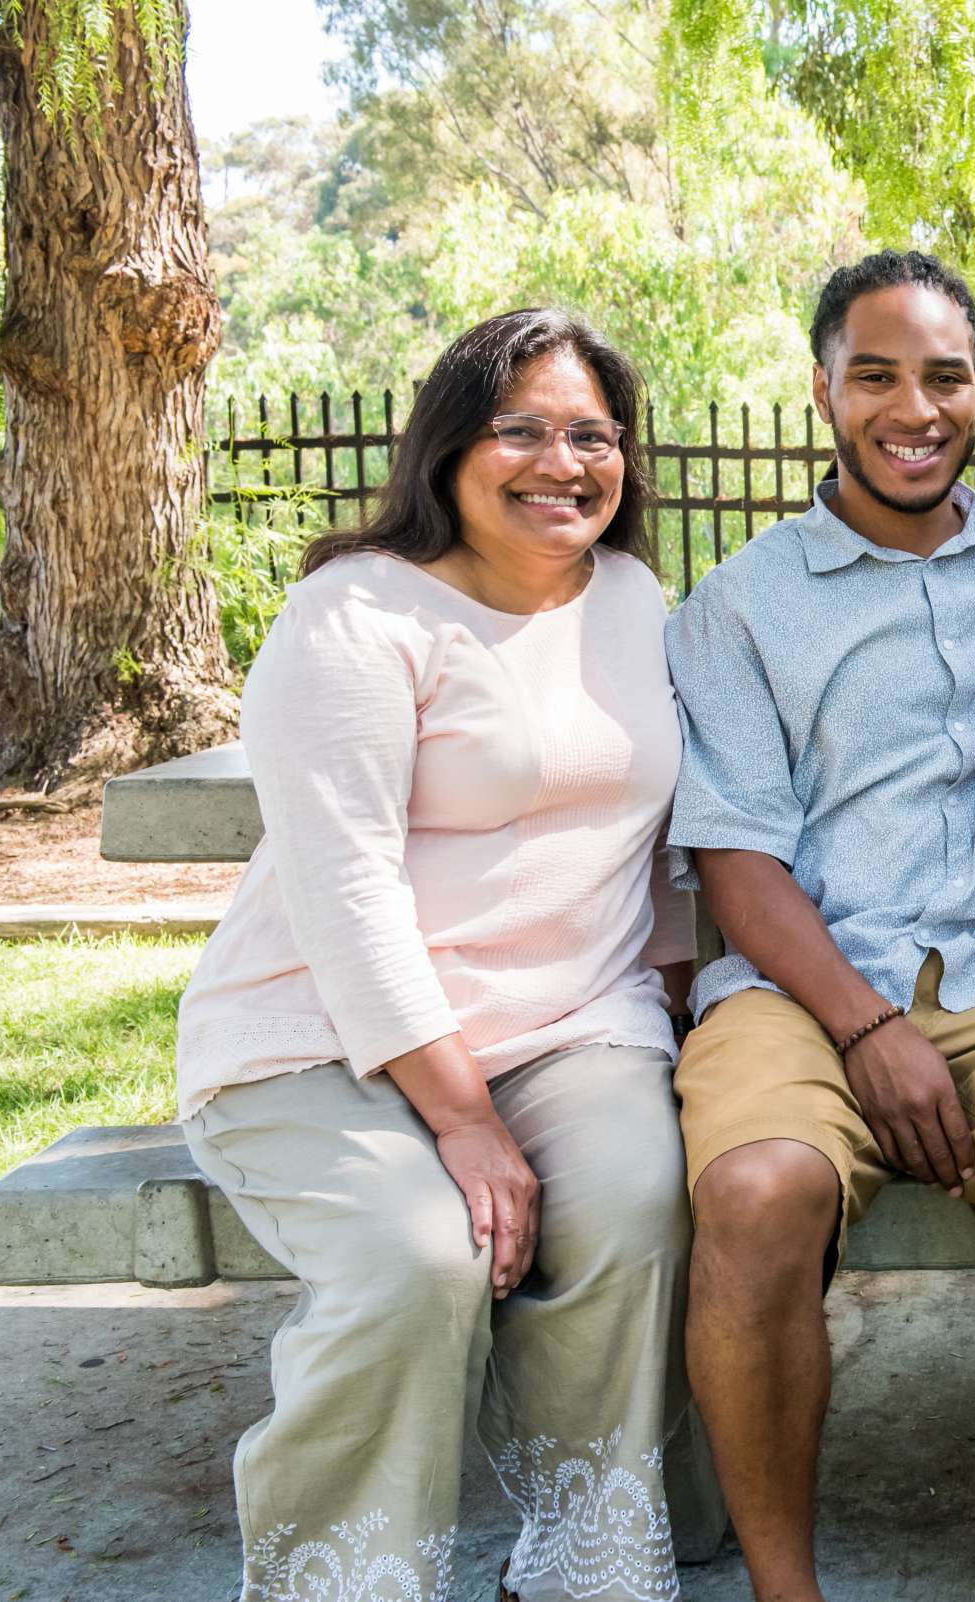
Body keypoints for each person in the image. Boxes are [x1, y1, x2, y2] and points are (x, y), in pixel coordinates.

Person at [664, 250, 975, 1602]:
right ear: (824, 388)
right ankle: (788, 1590)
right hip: (803, 982)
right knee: (756, 1189)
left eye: (945, 375)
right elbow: (734, 854)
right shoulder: (742, 603)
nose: (915, 407)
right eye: (876, 374)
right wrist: (867, 1024)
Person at [175, 309, 698, 1602]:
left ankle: (580, 1553)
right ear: (450, 444)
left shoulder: (634, 599)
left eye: (590, 433)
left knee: (637, 1198)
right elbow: (344, 886)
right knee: (420, 1256)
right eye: (520, 427)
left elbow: (664, 837)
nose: (559, 460)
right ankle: (337, 1576)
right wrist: (464, 1121)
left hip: (569, 1025)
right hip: (321, 1035)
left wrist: (684, 1006)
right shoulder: (352, 612)